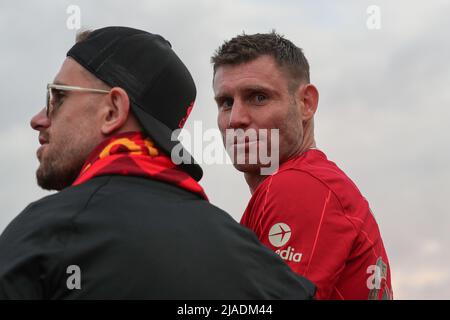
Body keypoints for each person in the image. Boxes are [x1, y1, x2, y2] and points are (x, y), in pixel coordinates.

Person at [0, 27, 315, 299]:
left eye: (58, 97)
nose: (38, 119)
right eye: (225, 103)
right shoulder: (264, 269)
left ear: (112, 111)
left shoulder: (44, 237)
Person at [212, 31, 393, 300]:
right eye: (226, 102)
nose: (235, 119)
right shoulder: (308, 183)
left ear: (306, 103)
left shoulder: (300, 186)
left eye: (258, 97)